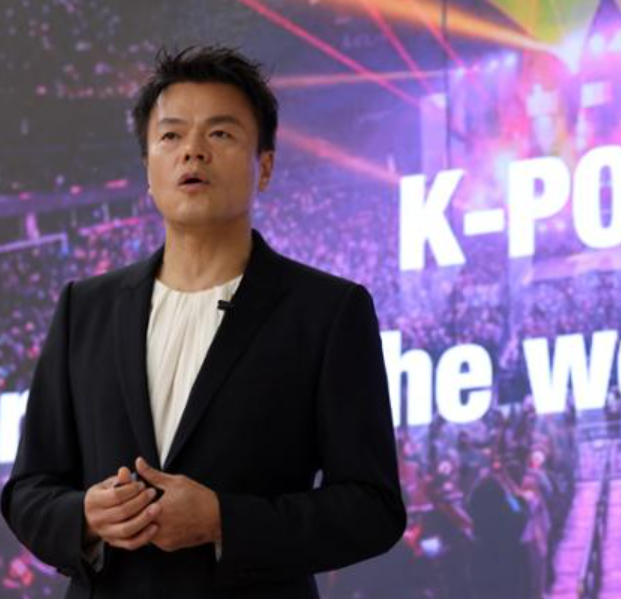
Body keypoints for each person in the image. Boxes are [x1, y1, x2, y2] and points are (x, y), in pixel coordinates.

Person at [0, 46, 406, 598]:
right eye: (170, 135)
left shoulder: (327, 311)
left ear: (265, 166)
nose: (192, 150)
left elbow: (371, 507)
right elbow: (28, 488)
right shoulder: (84, 308)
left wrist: (223, 521)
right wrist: (85, 517)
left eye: (220, 133)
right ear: (148, 170)